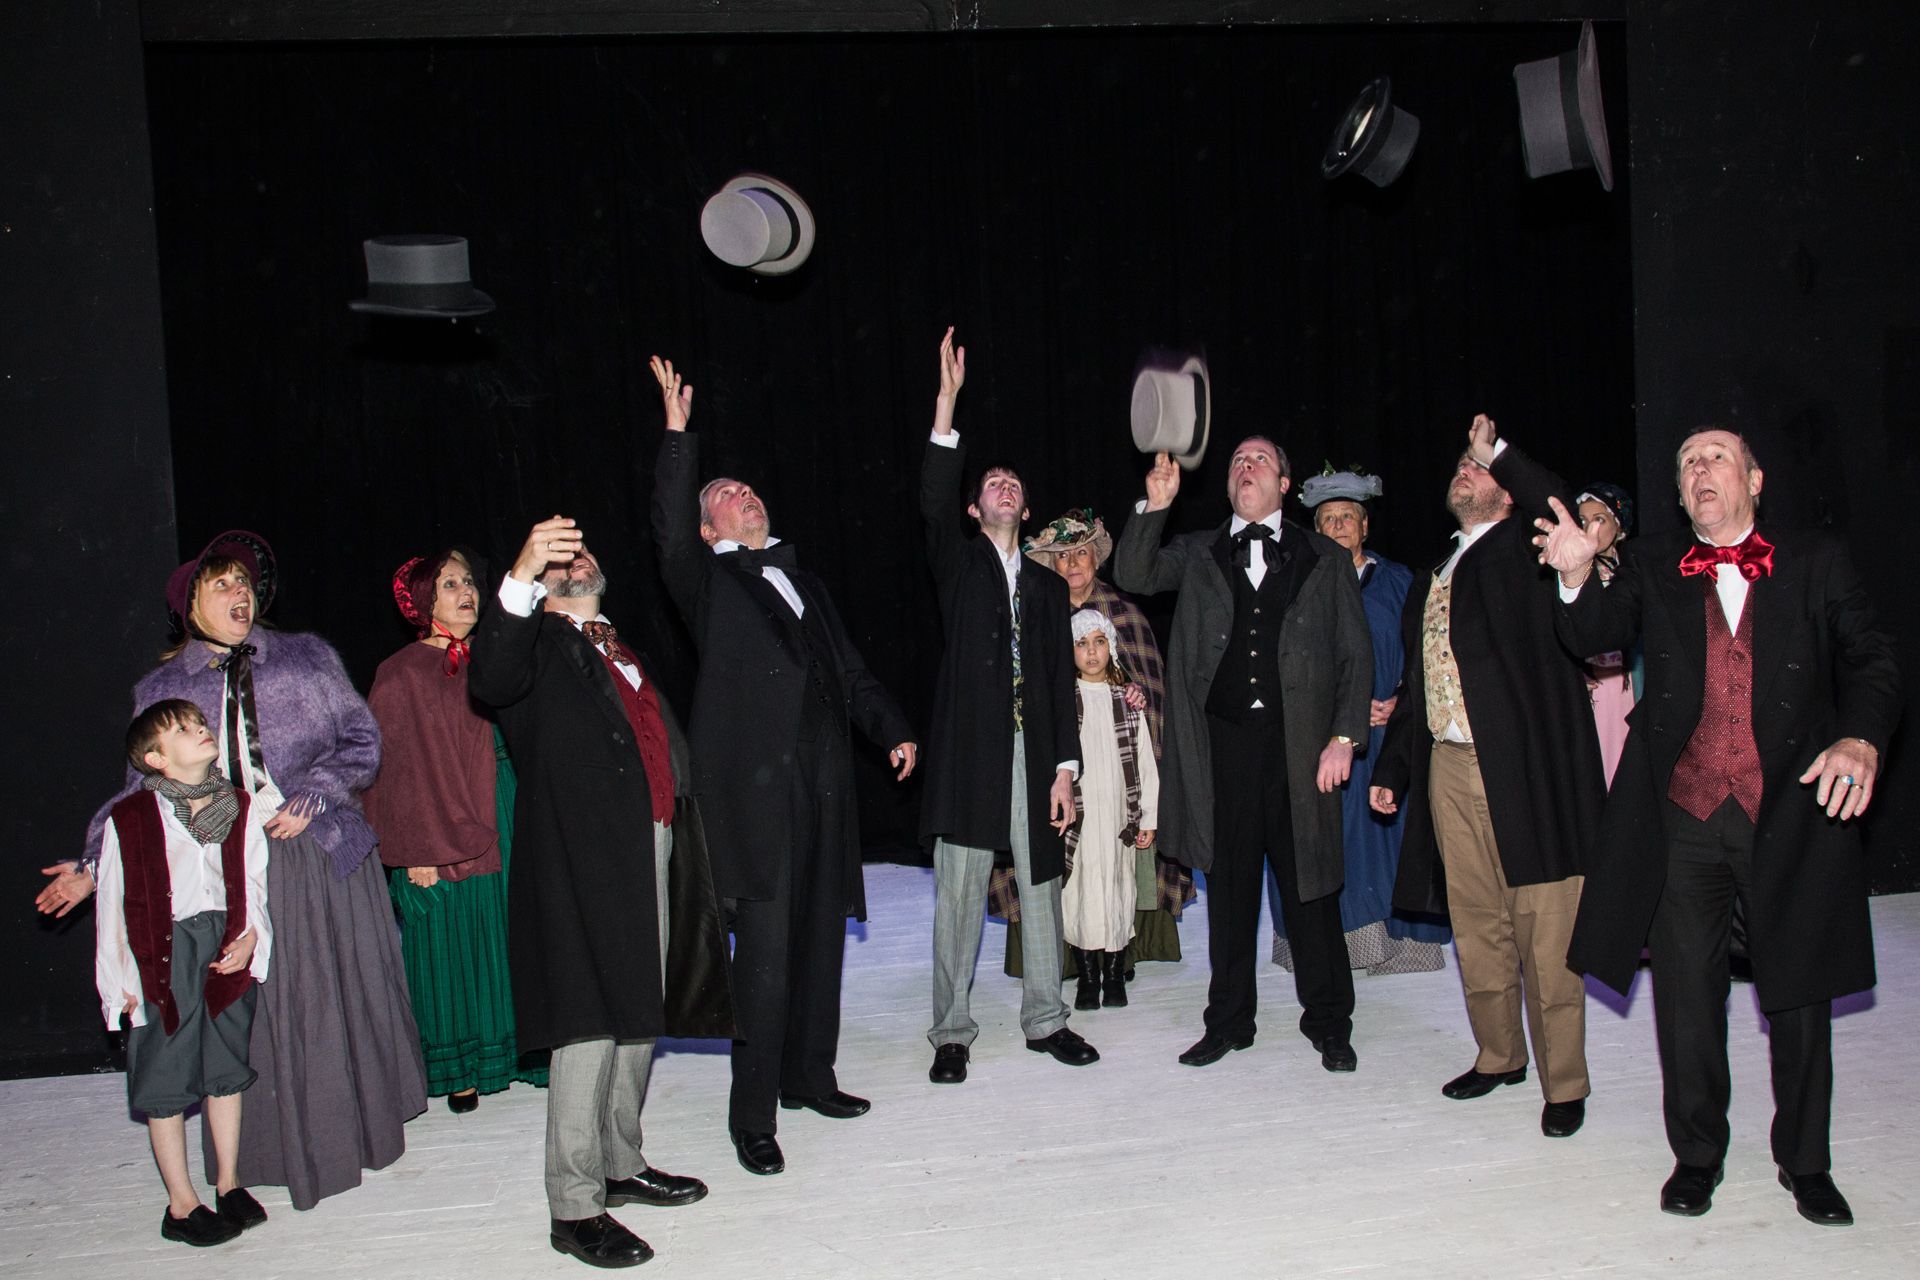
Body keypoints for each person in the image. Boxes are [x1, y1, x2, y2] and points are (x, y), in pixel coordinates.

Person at [1539, 428, 1900, 1224]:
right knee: (1686, 998)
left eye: (1716, 457)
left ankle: (1806, 1162)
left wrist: (1861, 737)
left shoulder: (1816, 561)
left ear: (1754, 479)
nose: (1700, 469)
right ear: (1679, 493)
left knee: (1799, 995)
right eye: (1688, 463)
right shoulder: (1653, 563)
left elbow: (1874, 658)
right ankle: (1697, 1156)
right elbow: (1594, 634)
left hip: (1791, 810)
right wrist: (1574, 578)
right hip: (1684, 816)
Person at [41, 530, 425, 1210]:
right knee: (251, 1015)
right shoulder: (163, 688)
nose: (238, 591)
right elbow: (139, 794)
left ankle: (346, 1132)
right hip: (224, 863)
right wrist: (92, 864)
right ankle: (248, 1162)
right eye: (220, 584)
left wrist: (317, 794)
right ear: (189, 606)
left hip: (313, 851)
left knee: (321, 1004)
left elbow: (362, 740)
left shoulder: (305, 656)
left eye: (243, 582)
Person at [647, 355, 916, 1177]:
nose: (746, 496)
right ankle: (753, 1117)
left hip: (825, 788)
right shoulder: (706, 580)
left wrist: (891, 729)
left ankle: (809, 1077)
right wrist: (678, 438)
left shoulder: (808, 583)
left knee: (820, 945)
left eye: (749, 489)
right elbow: (667, 532)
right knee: (762, 964)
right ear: (709, 528)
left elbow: (852, 673)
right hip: (757, 800)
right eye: (727, 495)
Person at [468, 517, 733, 1268]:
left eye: (582, 548)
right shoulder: (532, 646)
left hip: (651, 842)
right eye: (561, 555)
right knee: (588, 1023)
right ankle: (575, 1204)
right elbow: (490, 677)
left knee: (638, 1010)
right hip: (581, 859)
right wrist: (521, 571)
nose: (576, 557)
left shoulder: (614, 643)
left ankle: (620, 1161)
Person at [1369, 415, 1603, 1140]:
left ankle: (1565, 1082)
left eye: (1477, 470)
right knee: (1476, 924)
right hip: (1449, 763)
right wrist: (1395, 767)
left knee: (1546, 928)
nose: (1463, 471)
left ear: (1505, 491)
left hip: (1527, 767)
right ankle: (1500, 1055)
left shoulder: (1532, 545)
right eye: (1461, 466)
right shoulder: (1435, 571)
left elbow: (1557, 499)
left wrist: (1496, 451)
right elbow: (1418, 684)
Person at [1114, 436, 1371, 1072]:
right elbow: (1134, 575)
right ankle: (1229, 1021)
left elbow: (1354, 653)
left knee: (1310, 891)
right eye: (1236, 462)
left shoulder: (1324, 557)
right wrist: (1155, 507)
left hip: (1300, 749)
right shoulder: (1199, 550)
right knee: (1229, 893)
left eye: (1258, 460)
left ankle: (1329, 1021)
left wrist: (1344, 737)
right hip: (1221, 748)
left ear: (1284, 483)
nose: (1245, 467)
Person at [920, 326, 1099, 1083]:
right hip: (970, 751)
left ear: (1026, 510)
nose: (1005, 486)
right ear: (974, 509)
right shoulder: (958, 565)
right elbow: (932, 498)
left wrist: (1065, 770)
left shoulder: (1050, 588)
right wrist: (947, 403)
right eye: (991, 483)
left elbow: (1059, 681)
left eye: (1013, 483)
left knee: (1041, 885)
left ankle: (1046, 1018)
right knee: (960, 891)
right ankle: (951, 1032)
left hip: (1035, 750)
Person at [364, 549, 546, 1114]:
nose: (466, 591)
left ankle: (527, 1053)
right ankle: (459, 1067)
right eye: (449, 584)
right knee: (451, 938)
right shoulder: (401, 672)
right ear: (423, 600)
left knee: (513, 930)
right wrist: (413, 851)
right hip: (439, 816)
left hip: (507, 801)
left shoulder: (498, 654)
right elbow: (392, 770)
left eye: (469, 581)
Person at [95, 699, 271, 1247]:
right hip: (162, 959)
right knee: (166, 1078)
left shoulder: (238, 805)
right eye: (183, 730)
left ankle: (228, 1182)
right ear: (155, 758)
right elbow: (111, 905)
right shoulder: (130, 818)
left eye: (199, 723)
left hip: (222, 948)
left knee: (225, 1067)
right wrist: (118, 986)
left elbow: (254, 882)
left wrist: (250, 939)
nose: (200, 730)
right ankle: (181, 1203)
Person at [996, 508, 1194, 984]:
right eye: (1062, 556)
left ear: (1096, 559)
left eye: (1081, 553)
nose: (1072, 564)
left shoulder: (1124, 615)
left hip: (1117, 772)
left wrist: (1136, 698)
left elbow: (1151, 688)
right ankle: (1057, 956)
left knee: (1118, 861)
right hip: (1053, 767)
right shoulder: (1032, 612)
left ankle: (1123, 948)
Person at [1274, 466, 1449, 977]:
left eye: (1347, 517)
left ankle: (1404, 949)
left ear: (1365, 526)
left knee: (1388, 837)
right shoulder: (1296, 585)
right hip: (1322, 739)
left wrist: (1400, 702)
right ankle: (1333, 950)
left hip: (1389, 737)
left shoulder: (1400, 583)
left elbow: (1428, 653)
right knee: (1333, 841)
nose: (1337, 527)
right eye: (1327, 519)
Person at [1061, 608, 1159, 1009]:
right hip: (1081, 821)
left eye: (1099, 642)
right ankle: (1087, 978)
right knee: (1080, 894)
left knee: (1119, 890)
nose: (1091, 652)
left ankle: (1115, 975)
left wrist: (1148, 816)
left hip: (1119, 817)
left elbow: (1145, 763)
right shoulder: (1064, 702)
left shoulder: (1127, 702)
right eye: (1081, 644)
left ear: (1111, 648)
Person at [1573, 481, 1637, 786]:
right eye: (1583, 520)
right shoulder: (1571, 574)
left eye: (1599, 519)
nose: (1590, 528)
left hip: (1627, 685)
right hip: (1588, 689)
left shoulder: (1634, 572)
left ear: (1619, 527)